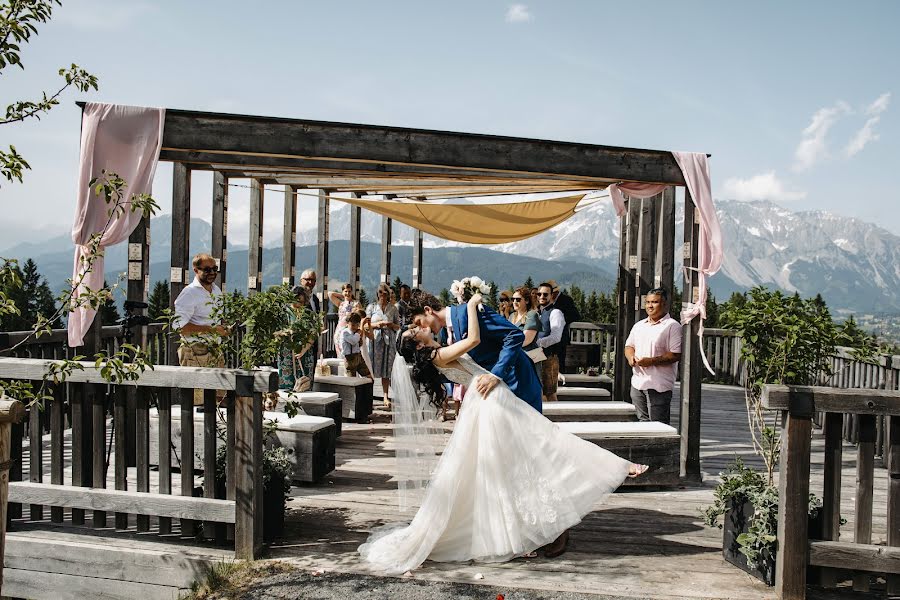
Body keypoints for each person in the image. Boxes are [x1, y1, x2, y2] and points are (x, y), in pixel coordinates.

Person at [358, 292, 648, 575]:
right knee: (531, 452)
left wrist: (471, 312)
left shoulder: (441, 344)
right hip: (491, 402)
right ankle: (549, 519)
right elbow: (473, 341)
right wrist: (471, 303)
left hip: (497, 397)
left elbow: (508, 338)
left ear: (429, 312)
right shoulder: (439, 351)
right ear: (419, 347)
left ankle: (552, 521)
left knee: (531, 452)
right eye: (414, 333)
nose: (418, 329)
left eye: (417, 325)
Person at [408, 288, 542, 413]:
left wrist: (496, 375)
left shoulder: (470, 312)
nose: (423, 328)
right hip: (496, 393)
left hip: (518, 381)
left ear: (428, 310)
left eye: (419, 322)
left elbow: (514, 335)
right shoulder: (446, 333)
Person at [173, 253, 227, 404]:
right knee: (197, 401)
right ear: (196, 270)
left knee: (219, 399)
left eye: (215, 269)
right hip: (194, 352)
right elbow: (179, 327)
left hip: (215, 350)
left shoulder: (216, 291)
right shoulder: (189, 293)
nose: (212, 273)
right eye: (207, 269)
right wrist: (212, 330)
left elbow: (215, 320)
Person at [624, 287, 682, 424]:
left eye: (655, 302)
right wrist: (630, 357)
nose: (650, 306)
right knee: (642, 423)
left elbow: (675, 354)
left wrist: (650, 361)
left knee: (659, 425)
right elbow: (629, 346)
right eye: (648, 302)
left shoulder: (673, 326)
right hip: (638, 383)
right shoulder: (639, 325)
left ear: (665, 304)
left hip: (659, 385)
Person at [274, 286, 317, 403]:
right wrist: (285, 333)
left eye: (302, 302)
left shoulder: (308, 313)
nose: (299, 304)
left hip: (304, 351)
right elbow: (275, 333)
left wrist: (304, 349)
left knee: (304, 384)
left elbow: (313, 333)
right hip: (286, 352)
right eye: (297, 301)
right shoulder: (283, 313)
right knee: (287, 385)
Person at [367, 283, 401, 408]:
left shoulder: (393, 309)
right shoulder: (372, 307)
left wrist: (391, 325)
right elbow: (366, 324)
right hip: (375, 341)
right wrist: (378, 324)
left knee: (386, 369)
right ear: (377, 294)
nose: (383, 295)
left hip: (388, 341)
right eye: (381, 292)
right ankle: (368, 396)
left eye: (385, 293)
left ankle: (385, 396)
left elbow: (399, 326)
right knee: (371, 369)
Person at [535, 283, 565, 402]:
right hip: (537, 357)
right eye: (539, 294)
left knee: (550, 393)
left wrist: (537, 343)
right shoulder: (538, 313)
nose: (542, 296)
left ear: (551, 295)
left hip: (549, 357)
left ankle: (557, 418)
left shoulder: (556, 312)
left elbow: (556, 337)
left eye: (545, 294)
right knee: (540, 392)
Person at [545, 280, 580, 374]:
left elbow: (575, 316)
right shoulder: (547, 301)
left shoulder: (566, 300)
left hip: (561, 338)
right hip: (548, 337)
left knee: (559, 363)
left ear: (554, 292)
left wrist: (561, 321)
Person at [509, 286, 542, 353]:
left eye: (518, 299)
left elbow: (526, 340)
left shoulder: (532, 315)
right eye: (513, 299)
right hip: (513, 354)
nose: (514, 302)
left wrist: (507, 346)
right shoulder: (512, 316)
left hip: (528, 356)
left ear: (526, 301)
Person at [339, 312, 372, 378]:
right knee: (351, 380)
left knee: (368, 376)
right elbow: (353, 341)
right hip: (350, 359)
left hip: (358, 356)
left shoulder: (356, 332)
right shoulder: (345, 332)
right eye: (353, 325)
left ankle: (368, 387)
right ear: (348, 323)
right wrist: (358, 334)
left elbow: (359, 344)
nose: (355, 327)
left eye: (357, 325)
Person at [328, 283, 356, 354]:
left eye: (349, 291)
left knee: (347, 353)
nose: (347, 293)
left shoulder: (355, 303)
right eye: (346, 291)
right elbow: (330, 294)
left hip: (349, 331)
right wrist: (343, 295)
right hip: (339, 331)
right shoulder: (341, 304)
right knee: (339, 353)